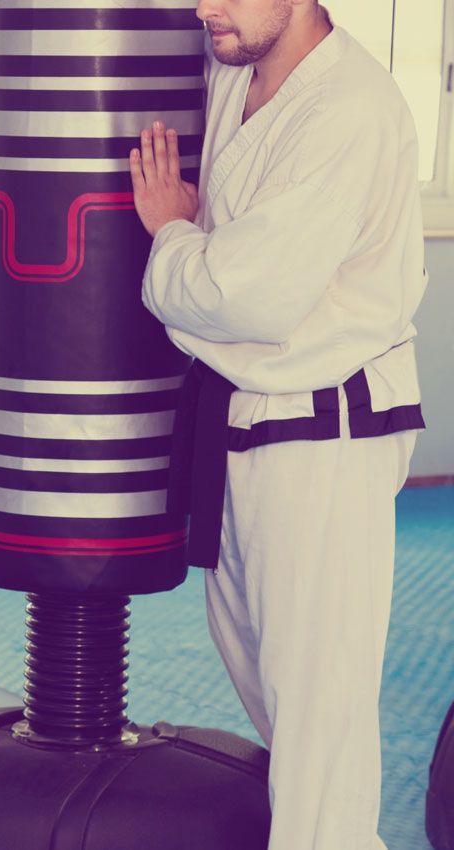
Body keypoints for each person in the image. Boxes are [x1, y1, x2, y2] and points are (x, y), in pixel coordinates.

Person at [129, 2, 426, 846]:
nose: (203, 7)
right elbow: (228, 286)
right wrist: (201, 255)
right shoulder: (235, 70)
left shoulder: (348, 111)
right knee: (277, 698)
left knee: (319, 731)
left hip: (323, 435)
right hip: (240, 417)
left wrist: (172, 232)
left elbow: (243, 294)